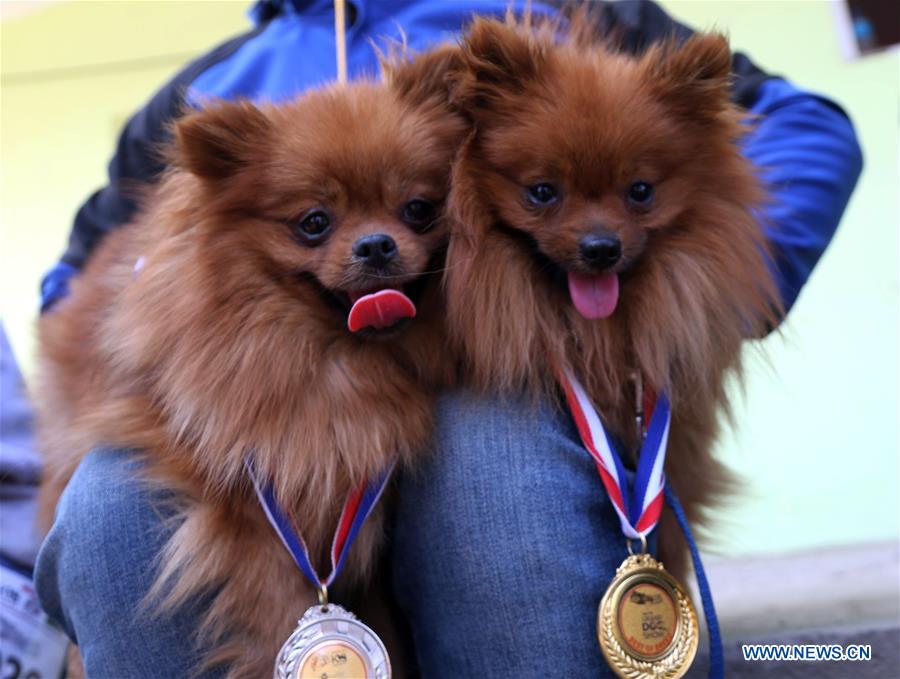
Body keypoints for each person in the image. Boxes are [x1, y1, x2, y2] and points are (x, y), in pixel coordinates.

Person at [33, 1, 862, 676]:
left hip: (481, 397)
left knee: (487, 454)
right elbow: (77, 275)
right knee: (110, 505)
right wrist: (166, 318)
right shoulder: (213, 82)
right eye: (318, 220)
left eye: (420, 209)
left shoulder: (547, 20)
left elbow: (806, 128)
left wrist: (708, 298)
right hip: (269, 420)